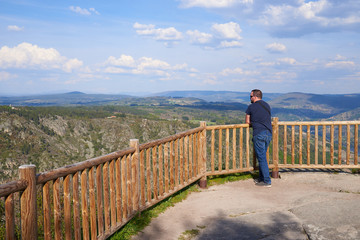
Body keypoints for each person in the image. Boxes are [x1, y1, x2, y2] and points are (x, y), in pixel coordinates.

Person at [245, 89, 272, 187]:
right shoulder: (267, 105)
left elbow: (247, 122)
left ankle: (267, 181)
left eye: (250, 96)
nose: (250, 98)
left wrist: (255, 123)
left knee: (261, 158)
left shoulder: (251, 107)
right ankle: (261, 178)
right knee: (262, 157)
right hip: (268, 133)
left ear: (255, 96)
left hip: (258, 133)